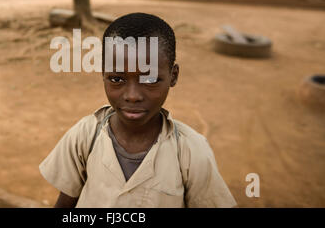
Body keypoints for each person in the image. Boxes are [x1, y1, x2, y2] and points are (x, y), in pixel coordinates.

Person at [39, 12, 237, 208]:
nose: (132, 95)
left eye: (150, 79)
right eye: (117, 79)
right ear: (103, 74)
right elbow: (65, 203)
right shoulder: (85, 135)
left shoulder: (191, 151)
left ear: (173, 76)